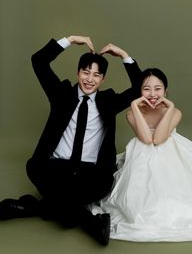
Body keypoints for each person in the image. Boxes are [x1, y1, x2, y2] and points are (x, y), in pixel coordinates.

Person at [0, 35, 141, 246]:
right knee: (67, 203)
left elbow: (140, 88)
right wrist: (70, 39)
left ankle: (27, 206)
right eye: (85, 72)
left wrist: (124, 55)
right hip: (54, 167)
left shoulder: (109, 102)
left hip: (91, 173)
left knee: (65, 214)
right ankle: (91, 222)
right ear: (77, 73)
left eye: (96, 75)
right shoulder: (61, 94)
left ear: (103, 79)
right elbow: (38, 61)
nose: (89, 79)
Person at [92, 68, 192, 242]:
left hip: (171, 153)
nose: (152, 94)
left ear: (165, 91)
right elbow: (146, 139)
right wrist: (134, 107)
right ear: (140, 91)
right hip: (142, 153)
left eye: (158, 88)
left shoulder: (175, 112)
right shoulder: (132, 114)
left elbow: (159, 139)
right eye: (146, 88)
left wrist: (170, 107)